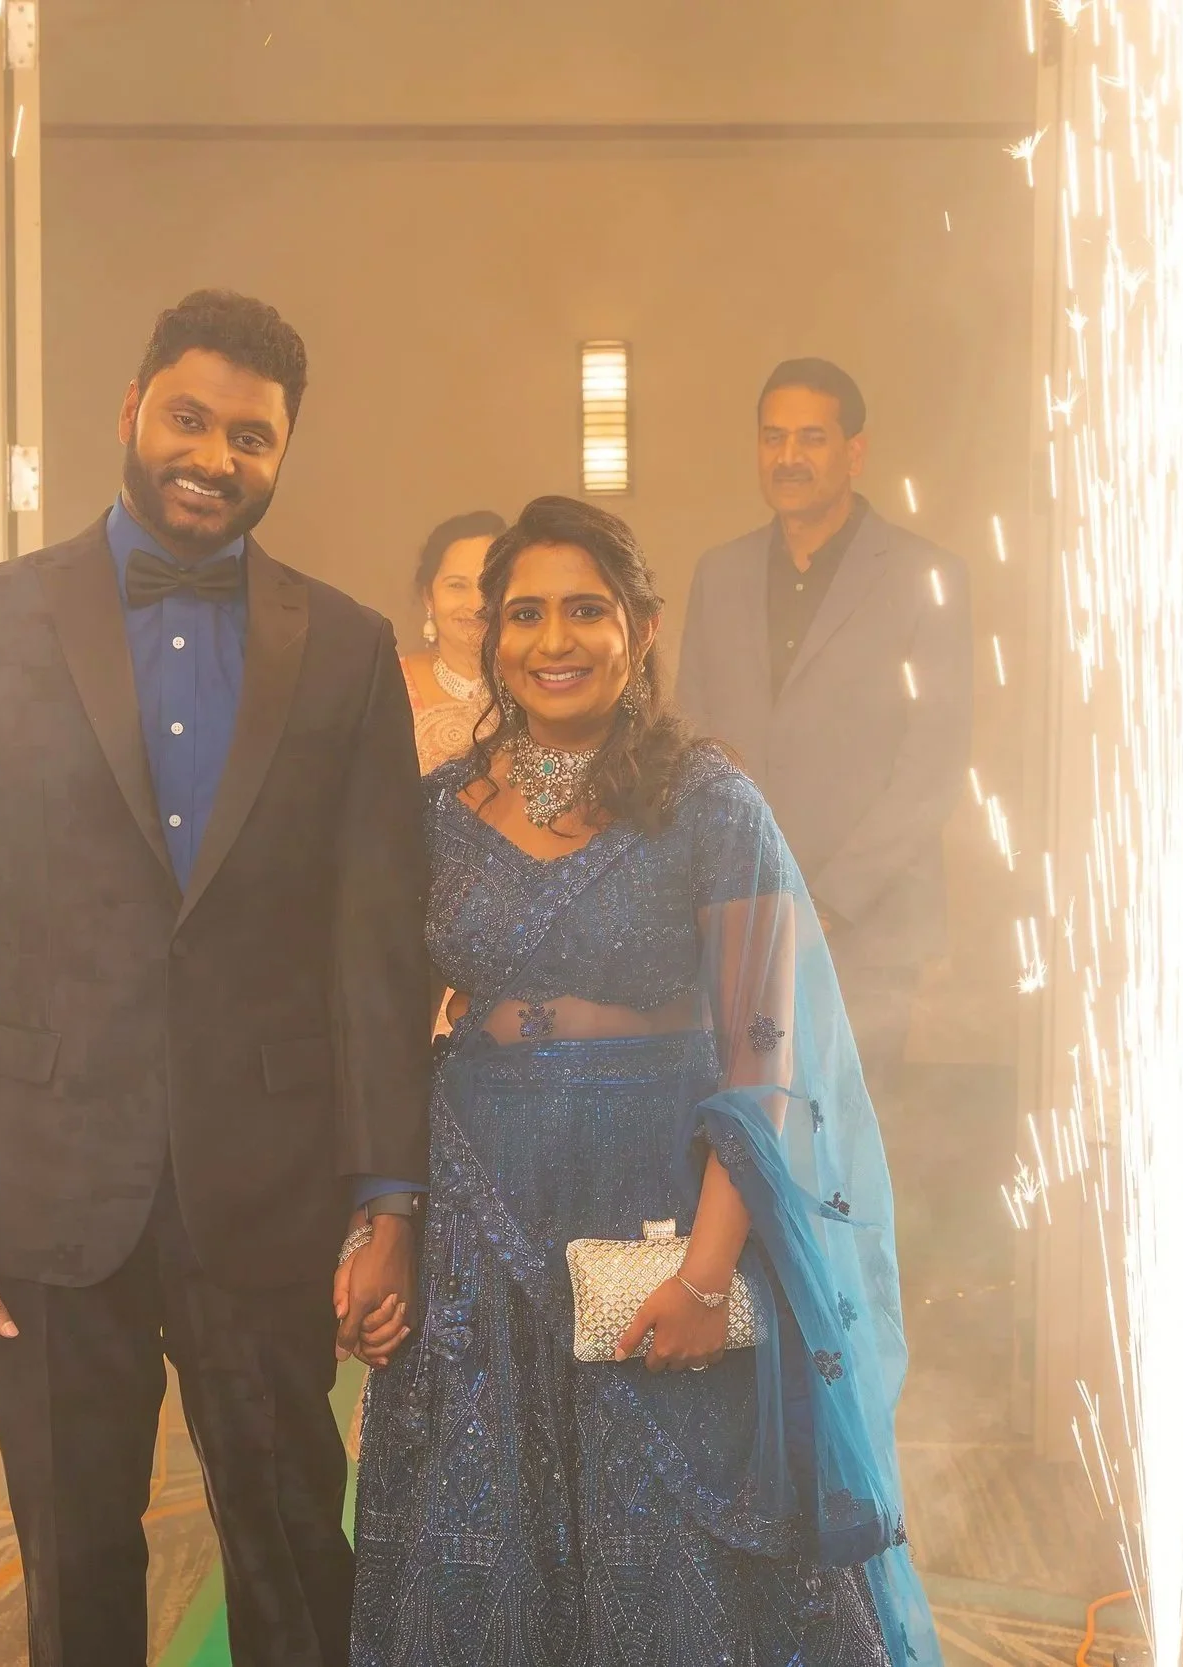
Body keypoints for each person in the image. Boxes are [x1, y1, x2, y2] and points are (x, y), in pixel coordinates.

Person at [0, 289, 435, 1667]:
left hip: (271, 1180)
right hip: (41, 1182)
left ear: (281, 453)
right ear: (131, 412)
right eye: (191, 417)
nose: (214, 453)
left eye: (252, 435)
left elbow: (377, 938)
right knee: (75, 1556)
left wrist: (388, 1194)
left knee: (298, 1543)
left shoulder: (349, 649)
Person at [351, 495, 940, 1667]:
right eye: (523, 613)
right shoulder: (429, 815)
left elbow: (763, 1050)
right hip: (477, 1209)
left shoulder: (707, 802)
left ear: (641, 628)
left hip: (656, 1206)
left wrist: (710, 1270)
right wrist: (385, 1221)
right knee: (476, 1530)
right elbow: (377, 1033)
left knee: (670, 1546)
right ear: (488, 638)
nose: (552, 639)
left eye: (586, 609)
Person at [674, 359, 971, 1100]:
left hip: (868, 931)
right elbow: (693, 739)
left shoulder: (924, 576)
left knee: (850, 1153)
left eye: (811, 438)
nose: (788, 457)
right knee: (747, 1141)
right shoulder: (721, 573)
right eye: (772, 438)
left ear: (854, 452)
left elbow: (931, 767)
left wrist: (829, 902)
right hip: (742, 919)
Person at [400, 509, 505, 771]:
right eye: (457, 585)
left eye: (489, 586)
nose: (476, 604)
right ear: (428, 598)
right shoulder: (389, 681)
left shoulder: (539, 684)